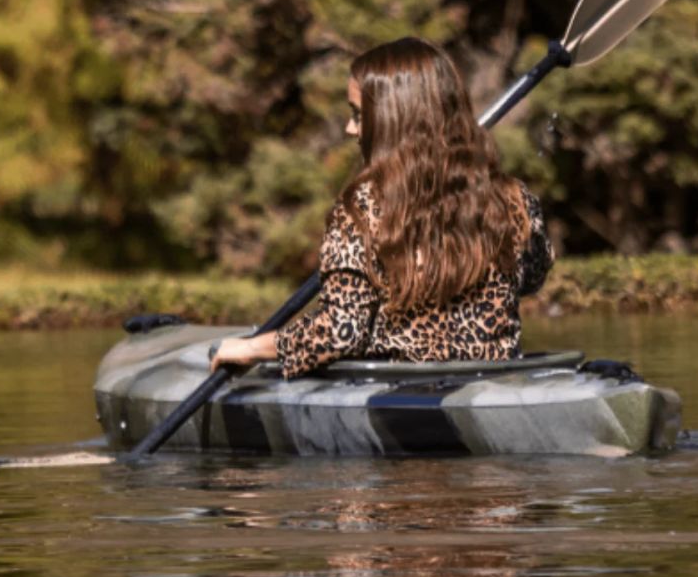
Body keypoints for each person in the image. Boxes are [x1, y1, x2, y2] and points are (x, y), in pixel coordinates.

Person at [210, 37, 553, 378]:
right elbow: (532, 278)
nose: (350, 128)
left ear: (392, 120)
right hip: (498, 386)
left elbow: (341, 332)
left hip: (404, 397)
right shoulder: (514, 198)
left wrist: (253, 348)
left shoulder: (362, 209)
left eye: (359, 115)